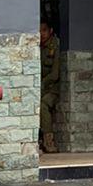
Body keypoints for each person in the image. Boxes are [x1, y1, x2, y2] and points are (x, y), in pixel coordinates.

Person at [39, 19, 60, 154]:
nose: (41, 34)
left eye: (44, 30)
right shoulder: (37, 46)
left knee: (43, 105)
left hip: (53, 89)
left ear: (50, 31)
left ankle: (49, 142)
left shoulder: (55, 46)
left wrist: (42, 84)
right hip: (41, 88)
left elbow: (55, 74)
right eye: (39, 31)